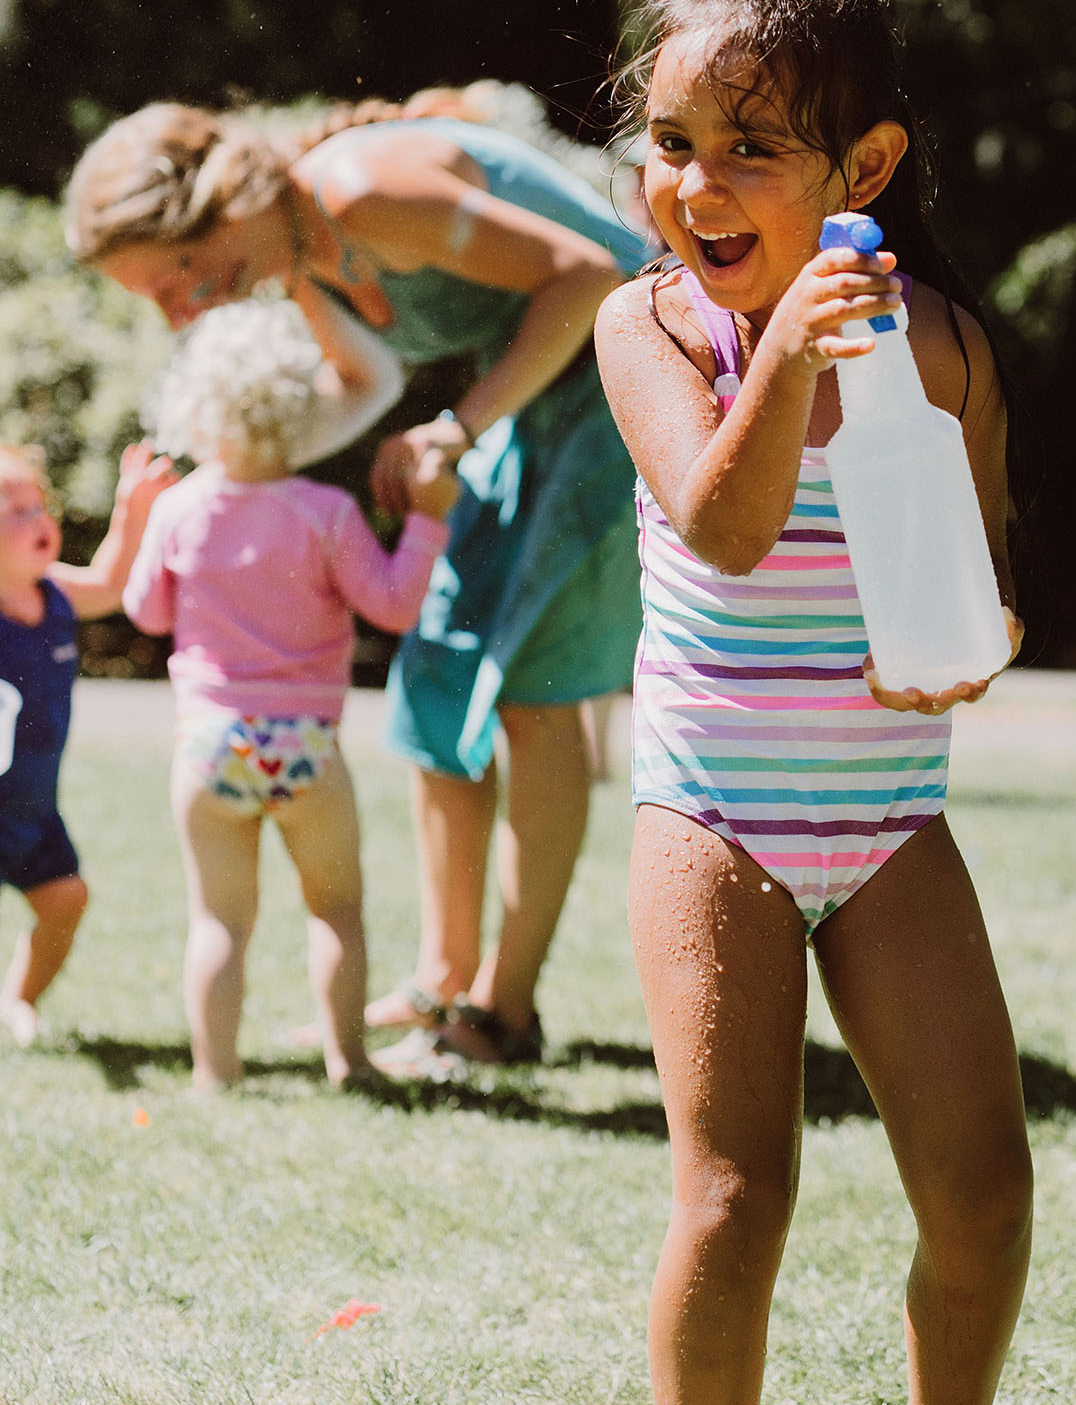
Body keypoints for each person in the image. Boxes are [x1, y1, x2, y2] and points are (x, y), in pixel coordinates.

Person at [592, 0, 1039, 1405]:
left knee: (986, 1180)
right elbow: (723, 518)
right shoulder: (654, 328)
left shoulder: (938, 343)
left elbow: (985, 577)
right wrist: (783, 339)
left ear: (861, 164)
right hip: (715, 816)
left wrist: (970, 641)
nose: (698, 182)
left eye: (748, 149)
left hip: (888, 814)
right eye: (675, 142)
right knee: (735, 1190)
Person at [65, 86, 648, 1068]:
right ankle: (438, 983)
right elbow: (363, 385)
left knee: (531, 694)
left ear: (213, 208)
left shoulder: (358, 188)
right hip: (527, 403)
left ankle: (500, 1016)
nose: (180, 310)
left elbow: (592, 276)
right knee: (436, 681)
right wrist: (223, 481)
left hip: (625, 384)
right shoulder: (297, 259)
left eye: (172, 278)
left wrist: (460, 426)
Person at [124, 300, 457, 1090]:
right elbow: (393, 606)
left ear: (195, 406)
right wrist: (428, 524)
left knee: (219, 921)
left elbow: (146, 612)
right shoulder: (326, 514)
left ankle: (216, 1073)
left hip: (209, 748)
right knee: (336, 908)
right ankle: (349, 1061)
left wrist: (140, 520)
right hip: (307, 744)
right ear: (302, 406)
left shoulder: (180, 508)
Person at [0, 438, 175, 1045]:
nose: (37, 520)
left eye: (37, 505)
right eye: (13, 513)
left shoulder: (54, 595)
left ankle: (19, 998)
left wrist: (133, 510)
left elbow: (110, 582)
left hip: (30, 810)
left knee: (66, 900)